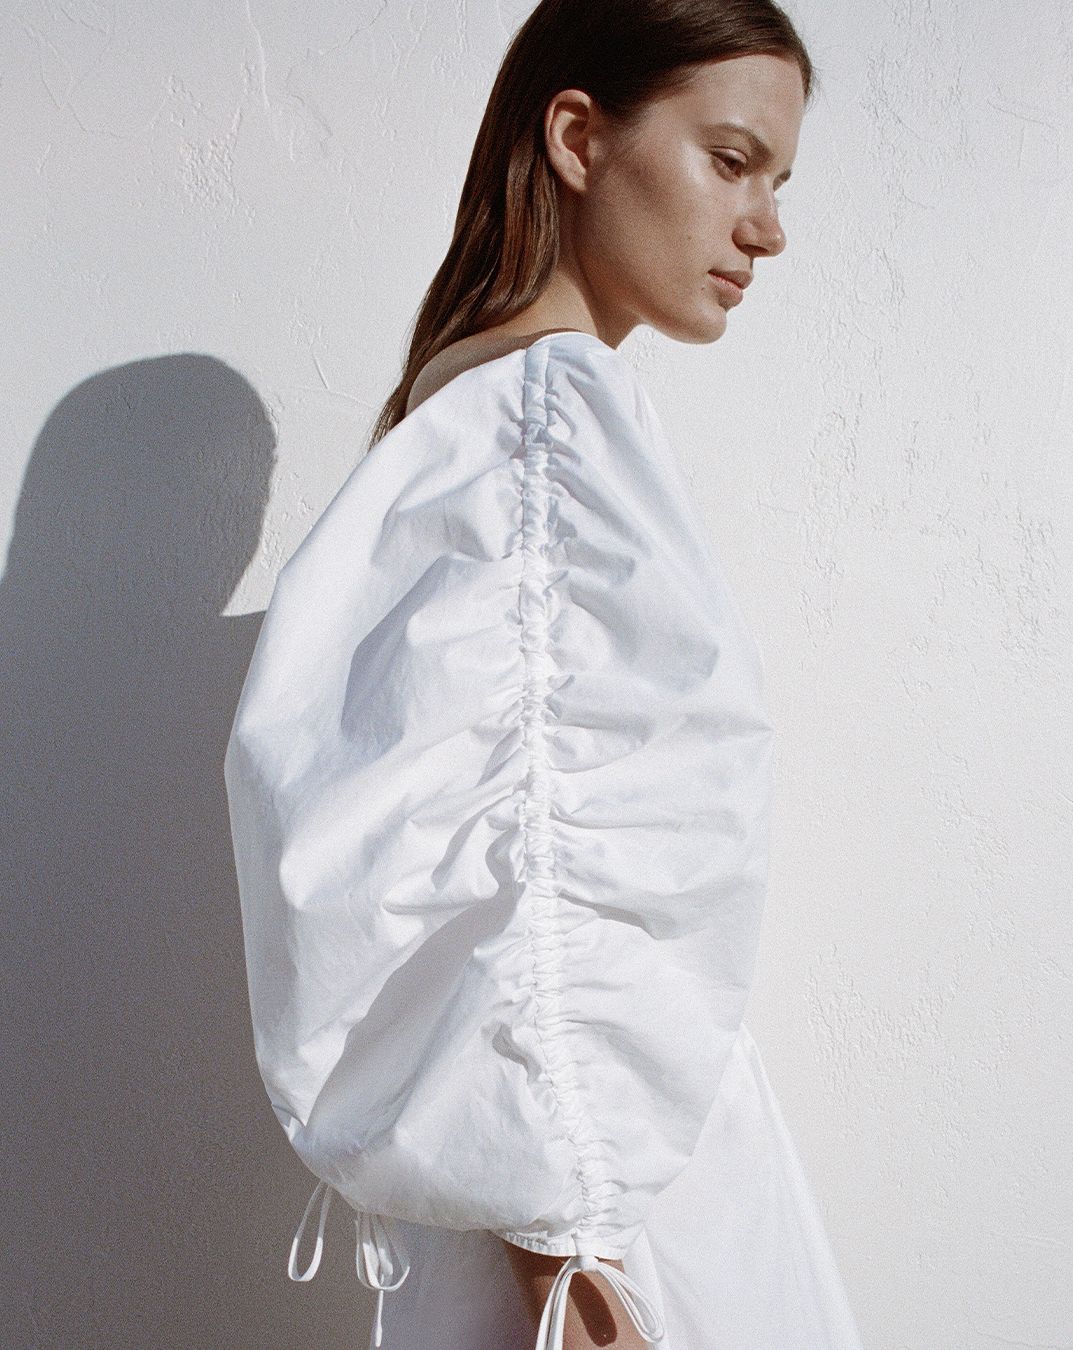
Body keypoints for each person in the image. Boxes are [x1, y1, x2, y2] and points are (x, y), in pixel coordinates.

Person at [223, 3, 866, 1348]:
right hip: (609, 1225)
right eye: (731, 161)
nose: (768, 228)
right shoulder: (547, 425)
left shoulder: (462, 422)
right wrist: (571, 1261)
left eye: (779, 181)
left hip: (562, 1190)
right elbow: (530, 871)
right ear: (579, 136)